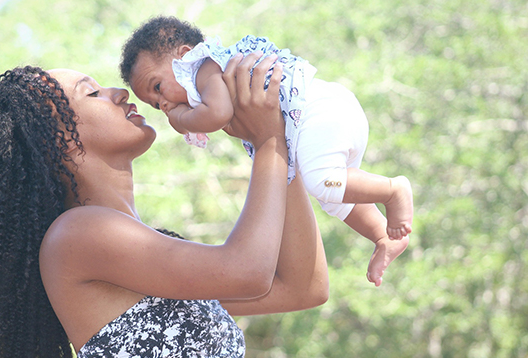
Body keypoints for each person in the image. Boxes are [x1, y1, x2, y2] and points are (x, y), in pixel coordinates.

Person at [0, 52, 328, 358]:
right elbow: (247, 271)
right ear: (57, 142)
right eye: (92, 93)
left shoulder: (140, 255)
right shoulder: (78, 234)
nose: (119, 93)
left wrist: (278, 137)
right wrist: (267, 141)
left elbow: (301, 287)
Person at [119, 16, 414, 286]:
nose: (164, 104)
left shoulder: (203, 68)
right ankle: (382, 235)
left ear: (184, 55)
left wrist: (181, 120)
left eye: (158, 87)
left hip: (317, 112)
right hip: (321, 120)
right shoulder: (204, 79)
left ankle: (392, 189)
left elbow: (218, 113)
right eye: (156, 106)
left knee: (323, 182)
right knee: (334, 193)